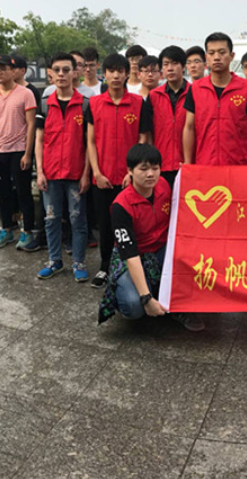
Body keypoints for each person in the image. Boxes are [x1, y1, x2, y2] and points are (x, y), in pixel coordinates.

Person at [97, 144, 204, 331]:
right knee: (133, 306)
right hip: (134, 255)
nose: (150, 174)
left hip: (162, 250)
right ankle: (133, 291)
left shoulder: (163, 186)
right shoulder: (121, 206)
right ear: (130, 171)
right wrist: (146, 298)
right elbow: (130, 255)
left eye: (155, 168)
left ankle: (173, 305)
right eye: (143, 169)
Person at [87, 53, 152, 289]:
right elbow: (91, 141)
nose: (115, 75)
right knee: (105, 225)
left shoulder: (138, 103)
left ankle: (131, 266)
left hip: (129, 179)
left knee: (132, 225)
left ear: (127, 74)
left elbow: (143, 140)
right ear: (104, 74)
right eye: (111, 71)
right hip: (103, 178)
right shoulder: (94, 104)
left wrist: (132, 173)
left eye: (120, 71)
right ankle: (105, 266)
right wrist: (96, 173)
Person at [34, 52, 91, 282]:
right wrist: (39, 171)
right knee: (51, 218)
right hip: (50, 173)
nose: (61, 74)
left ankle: (79, 261)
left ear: (75, 72)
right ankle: (54, 260)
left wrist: (86, 174)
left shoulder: (85, 105)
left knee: (78, 219)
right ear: (50, 73)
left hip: (76, 174)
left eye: (66, 70)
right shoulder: (44, 104)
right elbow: (39, 140)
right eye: (57, 70)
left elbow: (89, 143)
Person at [0, 54, 38, 250]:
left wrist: (28, 153)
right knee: (2, 192)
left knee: (23, 192)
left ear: (14, 71)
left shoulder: (25, 94)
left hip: (19, 150)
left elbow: (31, 125)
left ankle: (27, 231)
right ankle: (7, 229)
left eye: (3, 69)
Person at [182, 32, 247, 166]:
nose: (217, 57)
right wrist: (188, 163)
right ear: (206, 57)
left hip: (239, 165)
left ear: (232, 56)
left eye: (222, 52)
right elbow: (189, 128)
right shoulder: (195, 89)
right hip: (205, 164)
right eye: (211, 53)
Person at [148, 45, 190, 186]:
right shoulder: (153, 96)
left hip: (187, 164)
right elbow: (148, 133)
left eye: (174, 63)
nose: (170, 68)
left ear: (183, 67)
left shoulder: (195, 93)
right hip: (160, 165)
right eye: (166, 64)